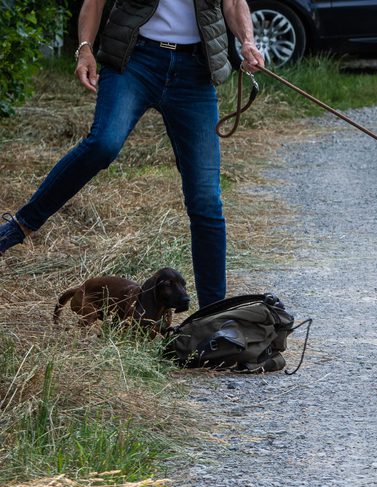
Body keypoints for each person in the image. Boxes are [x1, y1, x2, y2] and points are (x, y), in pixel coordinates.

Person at [0, 0, 264, 307]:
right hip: (135, 59)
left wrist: (247, 42)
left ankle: (213, 316)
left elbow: (232, 3)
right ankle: (18, 227)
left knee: (206, 197)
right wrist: (84, 49)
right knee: (103, 144)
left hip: (195, 70)